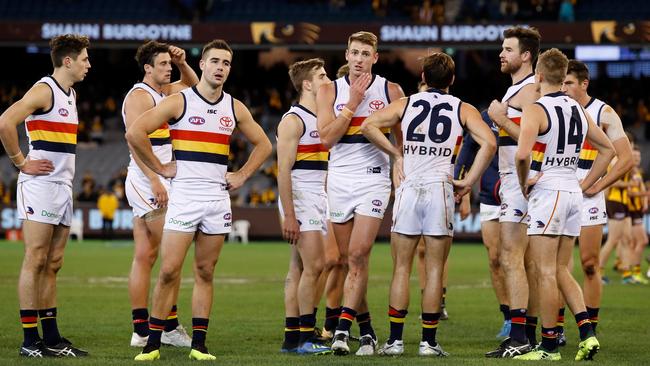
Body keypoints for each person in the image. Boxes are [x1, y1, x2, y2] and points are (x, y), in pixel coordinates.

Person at [127, 39, 272, 361]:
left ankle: (199, 346)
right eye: (215, 61)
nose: (221, 68)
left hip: (217, 201)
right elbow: (135, 133)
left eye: (226, 63)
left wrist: (243, 175)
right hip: (185, 198)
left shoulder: (234, 107)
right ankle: (152, 344)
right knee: (168, 271)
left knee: (206, 271)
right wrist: (160, 168)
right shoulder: (178, 101)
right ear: (203, 65)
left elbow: (264, 145)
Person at [362, 52, 496, 356]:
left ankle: (395, 342)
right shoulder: (462, 107)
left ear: (423, 76)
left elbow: (368, 125)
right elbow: (489, 142)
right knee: (435, 269)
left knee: (401, 268)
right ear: (451, 80)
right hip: (440, 188)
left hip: (409, 186)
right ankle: (428, 342)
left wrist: (397, 154)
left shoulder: (406, 103)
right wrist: (469, 180)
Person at [513, 48, 614, 361]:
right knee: (558, 268)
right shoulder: (577, 108)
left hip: (549, 191)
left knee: (544, 271)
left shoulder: (536, 108)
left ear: (539, 76)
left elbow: (521, 154)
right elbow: (608, 150)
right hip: (572, 192)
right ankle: (587, 332)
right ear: (562, 77)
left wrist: (523, 182)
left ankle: (548, 346)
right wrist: (586, 185)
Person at [0, 34, 91, 358]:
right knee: (35, 258)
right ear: (67, 61)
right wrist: (21, 162)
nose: (88, 65)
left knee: (53, 263)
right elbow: (5, 121)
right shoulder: (44, 90)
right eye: (84, 59)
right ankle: (29, 340)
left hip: (62, 187)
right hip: (40, 186)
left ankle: (51, 338)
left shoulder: (71, 94)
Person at [316, 31, 405, 356]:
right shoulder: (329, 90)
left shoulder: (390, 90)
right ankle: (366, 330)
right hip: (339, 180)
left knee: (357, 255)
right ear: (346, 54)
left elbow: (401, 138)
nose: (358, 59)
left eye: (365, 54)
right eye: (354, 52)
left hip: (374, 180)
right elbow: (326, 140)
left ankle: (341, 330)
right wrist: (352, 105)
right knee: (345, 260)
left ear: (375, 58)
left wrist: (399, 166)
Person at [123, 40, 198, 348]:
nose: (168, 68)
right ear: (148, 68)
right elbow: (134, 141)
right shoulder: (140, 96)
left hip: (158, 177)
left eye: (170, 64)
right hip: (148, 179)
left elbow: (195, 86)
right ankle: (166, 326)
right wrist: (155, 179)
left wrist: (182, 62)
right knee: (172, 256)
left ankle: (141, 330)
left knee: (146, 255)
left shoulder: (163, 92)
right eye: (164, 64)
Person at [560, 59, 633, 332]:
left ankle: (589, 327)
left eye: (569, 83)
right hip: (559, 188)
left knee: (590, 264)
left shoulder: (603, 112)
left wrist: (599, 186)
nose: (564, 87)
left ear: (583, 84)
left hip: (589, 192)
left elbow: (625, 159)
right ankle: (556, 328)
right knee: (559, 265)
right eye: (562, 82)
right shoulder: (557, 108)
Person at [485, 26, 541, 358]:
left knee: (512, 257)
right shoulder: (517, 90)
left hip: (523, 183)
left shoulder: (531, 90)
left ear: (526, 56)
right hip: (514, 183)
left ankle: (521, 335)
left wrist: (499, 120)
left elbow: (533, 137)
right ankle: (527, 334)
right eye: (502, 49)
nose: (501, 54)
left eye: (508, 49)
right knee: (525, 261)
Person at [277, 58, 332, 354]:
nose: (328, 80)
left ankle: (291, 338)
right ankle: (307, 336)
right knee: (315, 265)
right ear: (307, 84)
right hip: (300, 194)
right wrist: (289, 214)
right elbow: (283, 170)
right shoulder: (293, 120)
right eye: (322, 76)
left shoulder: (323, 117)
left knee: (298, 267)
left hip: (316, 195)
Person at [455, 110, 510, 338]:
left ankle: (541, 320)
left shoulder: (530, 111)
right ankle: (509, 317)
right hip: (490, 195)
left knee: (525, 260)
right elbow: (469, 147)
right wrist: (460, 180)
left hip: (519, 193)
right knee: (495, 259)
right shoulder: (488, 116)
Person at [626, 148, 648, 284]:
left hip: (638, 211)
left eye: (639, 156)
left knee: (634, 242)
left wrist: (644, 201)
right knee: (642, 241)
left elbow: (642, 189)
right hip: (632, 211)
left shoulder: (637, 172)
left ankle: (630, 272)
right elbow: (629, 193)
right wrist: (645, 195)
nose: (637, 159)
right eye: (634, 156)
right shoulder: (628, 172)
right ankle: (635, 272)